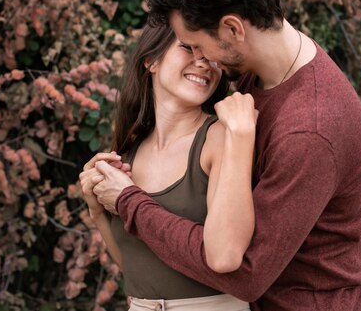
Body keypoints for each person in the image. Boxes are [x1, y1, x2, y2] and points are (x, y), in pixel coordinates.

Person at [93, 0, 361, 311]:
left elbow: (244, 272)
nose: (201, 59)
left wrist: (130, 203)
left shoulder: (311, 127)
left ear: (232, 29)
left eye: (196, 44)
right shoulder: (259, 73)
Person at [80, 23, 257, 310]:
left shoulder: (221, 136)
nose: (203, 63)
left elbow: (227, 255)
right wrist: (97, 210)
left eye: (211, 55)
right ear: (151, 60)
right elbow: (134, 267)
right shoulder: (128, 151)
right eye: (188, 47)